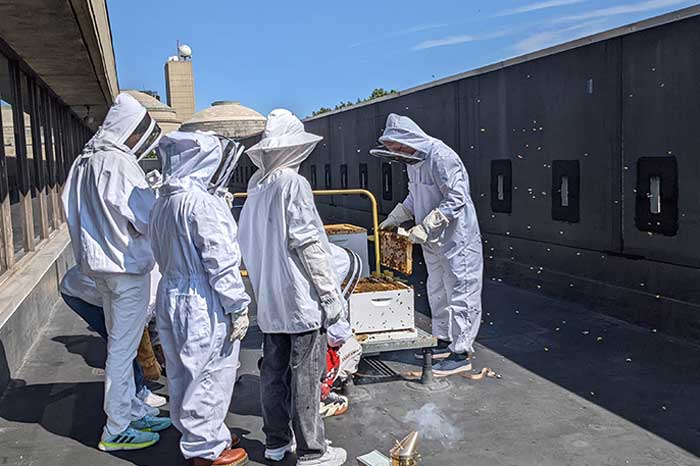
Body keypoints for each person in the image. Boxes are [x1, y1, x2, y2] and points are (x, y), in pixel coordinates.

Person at [62, 92, 171, 451]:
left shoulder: (84, 161)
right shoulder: (117, 163)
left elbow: (72, 213)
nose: (139, 140)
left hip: (100, 269)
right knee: (122, 350)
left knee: (119, 345)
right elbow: (144, 218)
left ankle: (134, 410)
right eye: (138, 132)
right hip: (125, 269)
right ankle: (117, 428)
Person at [238, 109, 347, 466]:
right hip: (300, 299)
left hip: (269, 300)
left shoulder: (257, 186)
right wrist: (330, 294)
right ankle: (314, 451)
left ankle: (276, 442)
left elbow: (248, 243)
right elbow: (310, 243)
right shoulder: (292, 184)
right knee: (305, 377)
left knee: (272, 374)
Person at [150, 131, 250, 466]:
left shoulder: (163, 200)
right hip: (200, 297)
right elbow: (220, 260)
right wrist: (238, 306)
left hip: (171, 292)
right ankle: (206, 449)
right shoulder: (200, 203)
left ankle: (201, 432)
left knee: (181, 370)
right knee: (210, 371)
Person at [373, 113, 483, 376]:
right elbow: (416, 195)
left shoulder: (441, 156)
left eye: (399, 147)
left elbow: (457, 198)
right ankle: (444, 340)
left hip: (458, 238)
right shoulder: (414, 161)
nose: (398, 154)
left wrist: (427, 225)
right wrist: (398, 215)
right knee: (437, 289)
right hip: (432, 240)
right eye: (393, 149)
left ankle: (461, 352)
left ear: (410, 139)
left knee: (461, 290)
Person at [60, 266, 167, 408]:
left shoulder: (158, 273)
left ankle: (130, 398)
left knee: (122, 345)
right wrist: (148, 362)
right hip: (81, 293)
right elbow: (140, 326)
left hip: (97, 286)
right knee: (124, 346)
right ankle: (136, 395)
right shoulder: (154, 280)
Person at [320, 245, 362, 418]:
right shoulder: (327, 291)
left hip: (276, 358)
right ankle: (320, 397)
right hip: (308, 358)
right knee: (353, 347)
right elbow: (337, 336)